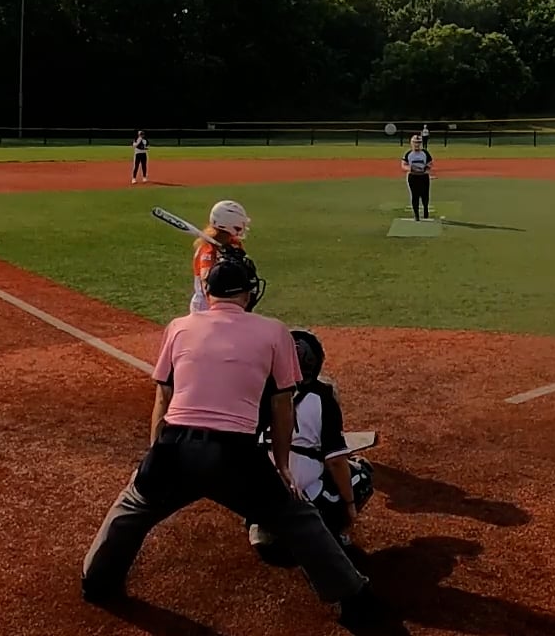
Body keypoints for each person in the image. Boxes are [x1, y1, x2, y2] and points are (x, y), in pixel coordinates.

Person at [80, 255, 385, 626]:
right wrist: (282, 466)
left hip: (175, 444)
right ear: (249, 293)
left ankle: (96, 582)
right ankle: (355, 599)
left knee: (132, 507)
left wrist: (156, 454)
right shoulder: (274, 331)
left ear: (208, 291)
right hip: (234, 454)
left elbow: (163, 398)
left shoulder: (178, 327)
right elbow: (282, 406)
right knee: (298, 519)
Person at [250, 329, 374, 558]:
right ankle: (329, 534)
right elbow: (336, 462)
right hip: (299, 500)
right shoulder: (322, 397)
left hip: (257, 496)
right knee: (361, 475)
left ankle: (260, 524)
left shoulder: (255, 391)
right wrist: (349, 506)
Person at [190, 200, 250, 314]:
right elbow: (206, 282)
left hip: (231, 301)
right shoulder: (207, 249)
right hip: (206, 304)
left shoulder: (234, 244)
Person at [402, 134, 434, 219]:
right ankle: (416, 214)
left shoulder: (425, 153)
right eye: (415, 142)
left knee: (425, 195)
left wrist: (426, 168)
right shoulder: (408, 154)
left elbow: (430, 163)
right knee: (415, 195)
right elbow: (403, 164)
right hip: (413, 177)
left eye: (419, 142)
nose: (417, 144)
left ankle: (426, 210)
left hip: (423, 177)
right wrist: (410, 169)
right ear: (411, 143)